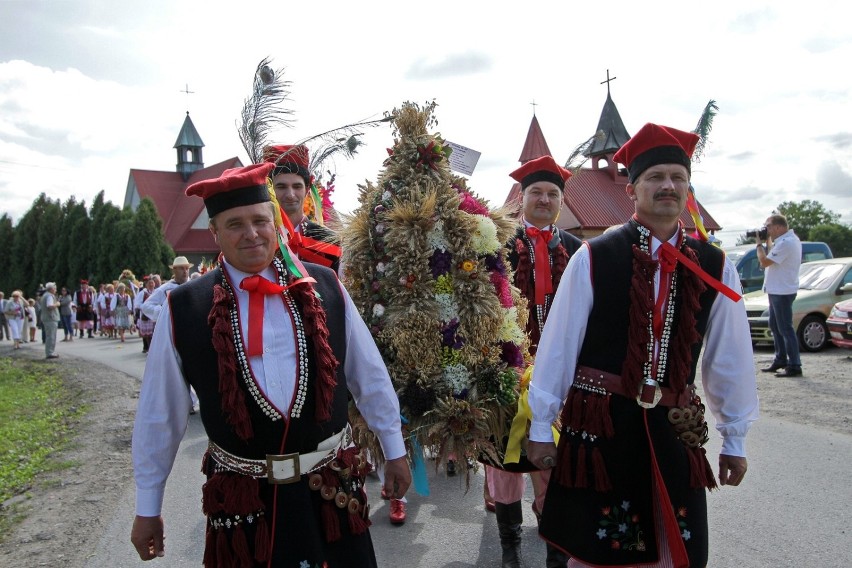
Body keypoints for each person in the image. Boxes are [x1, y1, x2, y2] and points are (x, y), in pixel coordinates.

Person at [130, 162, 411, 567]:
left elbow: (368, 376)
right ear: (214, 233)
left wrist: (394, 447)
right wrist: (147, 505)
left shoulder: (325, 286)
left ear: (276, 222)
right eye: (235, 224)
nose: (251, 233)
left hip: (331, 491)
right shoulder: (184, 307)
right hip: (246, 506)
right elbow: (160, 415)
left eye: (261, 220)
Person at [526, 123, 759, 568]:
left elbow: (728, 357)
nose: (667, 186)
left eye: (677, 177)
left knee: (674, 550)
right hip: (602, 426)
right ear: (632, 189)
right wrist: (540, 427)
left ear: (688, 189)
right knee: (600, 552)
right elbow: (559, 346)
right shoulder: (595, 255)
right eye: (655, 178)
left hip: (674, 429)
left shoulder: (714, 264)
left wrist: (735, 437)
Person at [487, 155, 580, 568]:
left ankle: (556, 553)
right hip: (506, 371)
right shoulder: (495, 246)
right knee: (504, 465)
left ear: (562, 201)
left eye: (552, 194)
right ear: (521, 198)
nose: (544, 200)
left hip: (562, 377)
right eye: (536, 193)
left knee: (555, 467)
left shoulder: (578, 252)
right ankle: (510, 549)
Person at [264, 144, 342, 272]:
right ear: (269, 190)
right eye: (281, 187)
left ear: (307, 189)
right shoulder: (258, 237)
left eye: (297, 186)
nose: (290, 195)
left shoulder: (328, 239)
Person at [756, 214, 803, 377]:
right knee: (776, 327)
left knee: (785, 328)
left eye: (768, 226)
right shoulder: (785, 241)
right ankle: (781, 359)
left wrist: (758, 245)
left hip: (782, 291)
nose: (766, 229)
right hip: (777, 290)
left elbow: (764, 261)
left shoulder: (787, 243)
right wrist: (767, 241)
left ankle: (795, 364)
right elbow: (771, 256)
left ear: (778, 227)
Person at [140, 256, 194, 322]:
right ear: (174, 270)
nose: (185, 271)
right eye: (181, 268)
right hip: (172, 328)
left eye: (187, 268)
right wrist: (166, 312)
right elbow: (146, 307)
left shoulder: (194, 286)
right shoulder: (164, 289)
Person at [136, 276, 157, 353]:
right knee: (148, 334)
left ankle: (152, 348)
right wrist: (146, 307)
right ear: (146, 285)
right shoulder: (142, 293)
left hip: (154, 315)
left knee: (154, 333)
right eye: (149, 283)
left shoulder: (156, 292)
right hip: (146, 315)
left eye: (152, 283)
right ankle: (149, 348)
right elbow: (137, 304)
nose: (151, 284)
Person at [39, 282, 60, 359]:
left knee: (50, 336)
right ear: (51, 289)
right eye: (55, 288)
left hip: (47, 318)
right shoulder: (49, 296)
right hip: (50, 318)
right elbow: (50, 306)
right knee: (51, 336)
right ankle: (50, 352)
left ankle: (50, 352)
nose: (56, 290)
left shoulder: (45, 295)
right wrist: (57, 304)